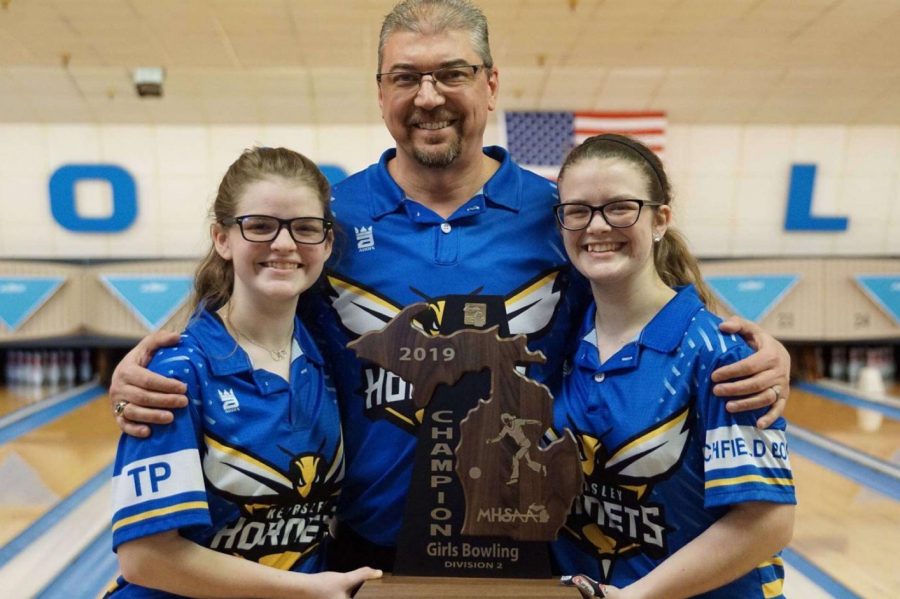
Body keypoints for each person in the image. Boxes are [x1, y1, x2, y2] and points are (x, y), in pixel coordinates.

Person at [107, 0, 792, 573]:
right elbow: (239, 306)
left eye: (452, 74)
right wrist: (142, 366)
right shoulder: (330, 219)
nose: (427, 95)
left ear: (491, 84)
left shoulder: (556, 213)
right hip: (363, 553)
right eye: (405, 76)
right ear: (380, 92)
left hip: (530, 547)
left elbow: (648, 294)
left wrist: (756, 346)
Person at [106, 147, 381, 598]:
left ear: (327, 244)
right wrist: (305, 591)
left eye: (306, 229)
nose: (285, 244)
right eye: (260, 226)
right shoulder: (178, 372)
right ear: (222, 238)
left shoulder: (328, 357)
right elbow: (145, 557)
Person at [549, 134, 796, 598]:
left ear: (661, 219)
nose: (597, 226)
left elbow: (768, 520)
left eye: (620, 207)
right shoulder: (561, 337)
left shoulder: (719, 353)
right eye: (578, 210)